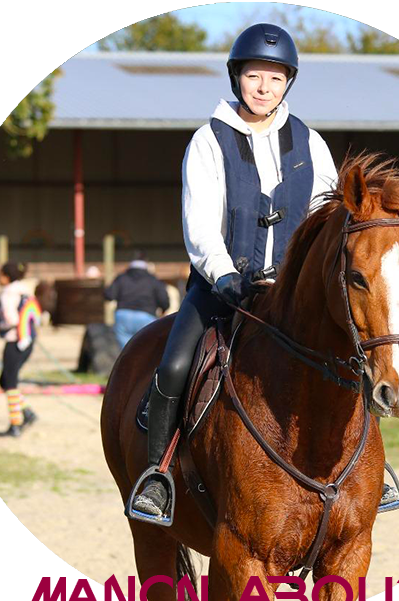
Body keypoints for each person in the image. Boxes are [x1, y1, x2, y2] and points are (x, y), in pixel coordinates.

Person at [129, 24, 345, 523]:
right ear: (236, 78)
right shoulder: (209, 140)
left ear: (288, 82)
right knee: (174, 366)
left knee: (353, 354)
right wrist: (226, 276)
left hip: (295, 295)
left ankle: (370, 469)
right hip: (223, 288)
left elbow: (327, 216)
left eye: (275, 78)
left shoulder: (311, 143)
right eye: (254, 76)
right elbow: (200, 223)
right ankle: (158, 476)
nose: (264, 87)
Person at [0, 262, 38, 437]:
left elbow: (11, 319)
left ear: (7, 276)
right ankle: (27, 411)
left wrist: (0, 326)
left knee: (10, 383)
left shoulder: (8, 293)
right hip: (28, 340)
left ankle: (15, 423)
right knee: (5, 381)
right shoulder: (26, 291)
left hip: (14, 341)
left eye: (0, 275)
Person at [104, 253, 170, 348]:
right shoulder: (153, 280)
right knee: (146, 349)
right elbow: (164, 301)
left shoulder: (121, 278)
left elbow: (109, 295)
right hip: (146, 316)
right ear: (146, 263)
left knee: (126, 350)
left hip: (123, 315)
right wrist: (164, 309)